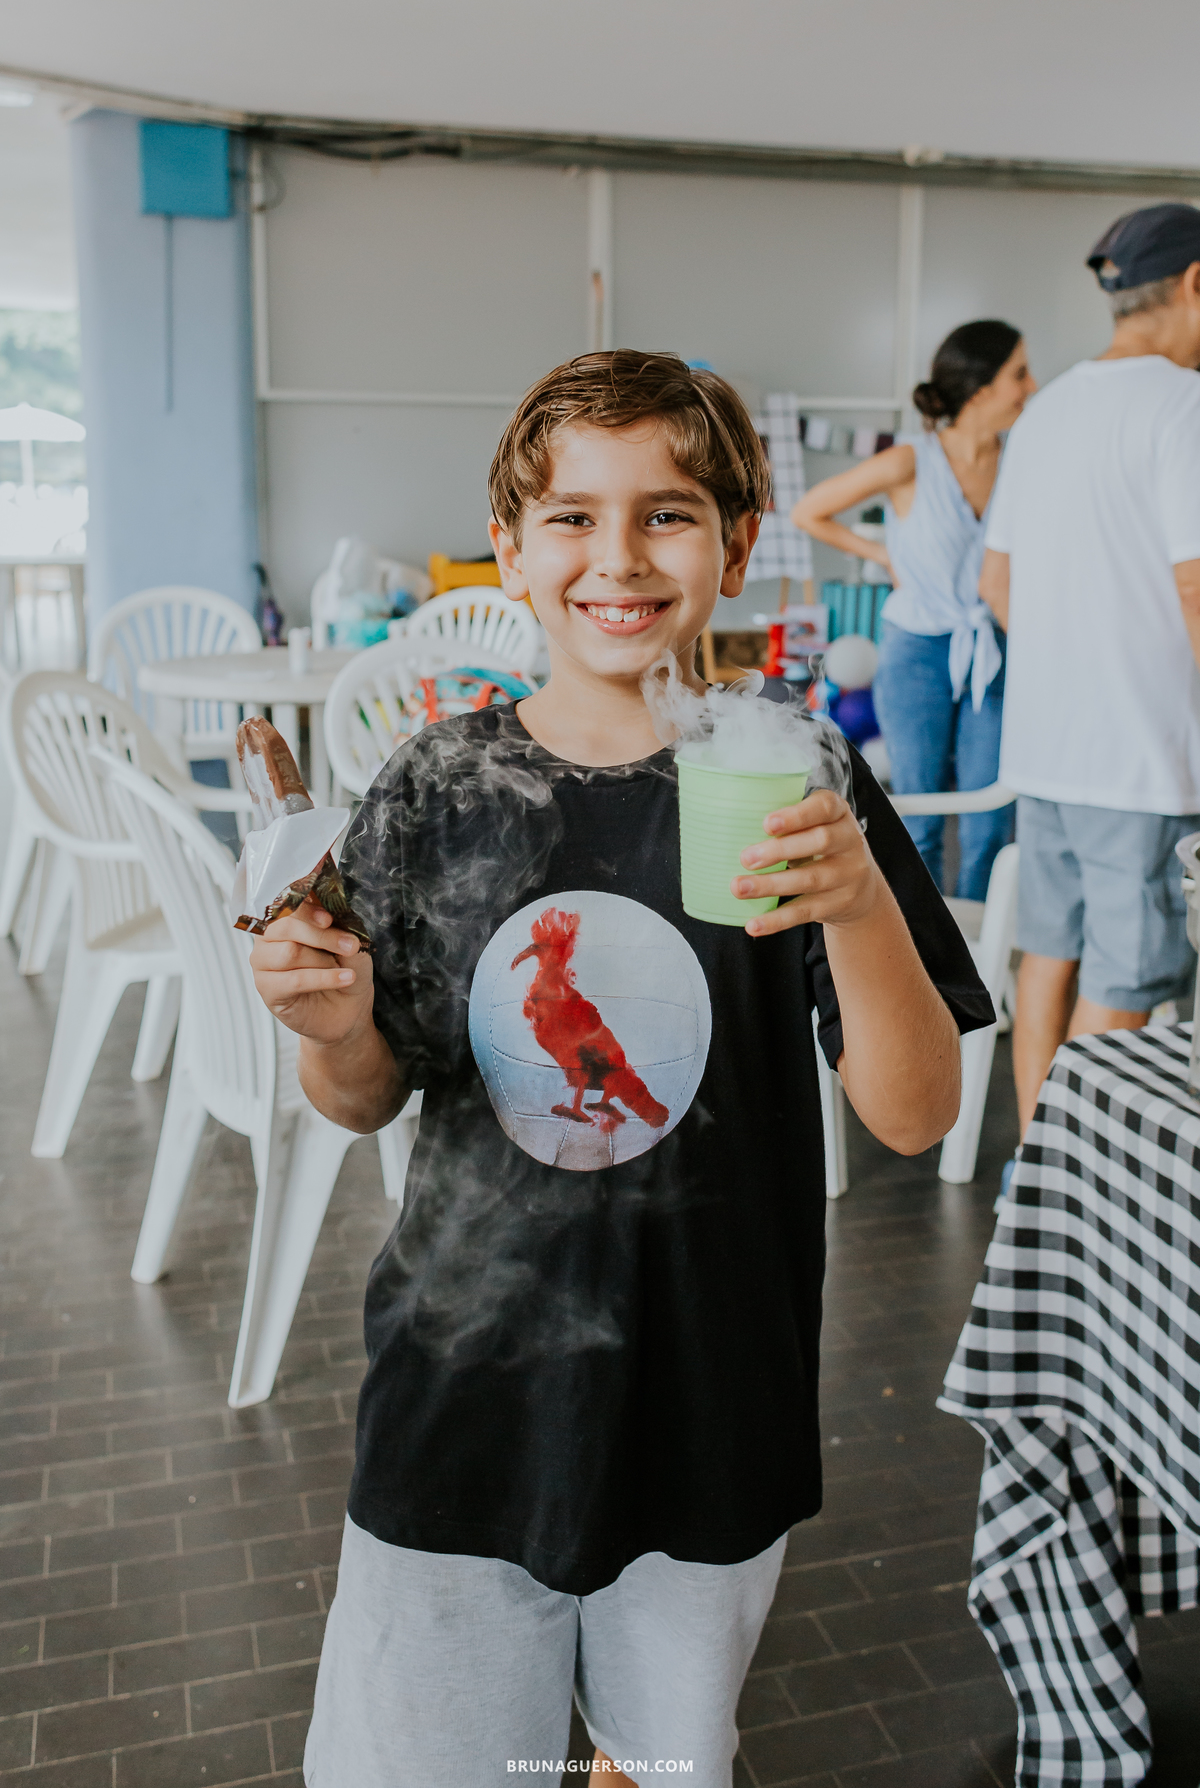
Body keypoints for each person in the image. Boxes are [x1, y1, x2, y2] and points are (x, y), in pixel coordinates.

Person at [249, 351, 992, 1788]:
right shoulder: (437, 787)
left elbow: (916, 1115)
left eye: (667, 514)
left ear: (737, 544)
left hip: (709, 1400)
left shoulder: (799, 776)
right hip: (462, 1402)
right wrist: (331, 1029)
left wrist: (858, 908)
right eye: (574, 518)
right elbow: (360, 1095)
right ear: (512, 550)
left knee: (664, 1762)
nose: (620, 557)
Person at [978, 203, 1200, 1138]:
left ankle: (1033, 1170)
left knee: (1048, 959)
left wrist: (1075, 654)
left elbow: (996, 583)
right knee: (1128, 975)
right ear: (1195, 283)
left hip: (1046, 752)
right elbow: (1195, 588)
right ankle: (1069, 1173)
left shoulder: (1048, 410)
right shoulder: (1184, 406)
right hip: (1137, 760)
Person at [792, 322, 1037, 900]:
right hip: (917, 650)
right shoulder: (910, 461)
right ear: (980, 388)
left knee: (990, 819)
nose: (1031, 387)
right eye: (1020, 374)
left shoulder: (1023, 462)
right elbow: (809, 511)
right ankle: (925, 945)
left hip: (994, 648)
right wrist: (882, 553)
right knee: (919, 816)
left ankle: (977, 944)